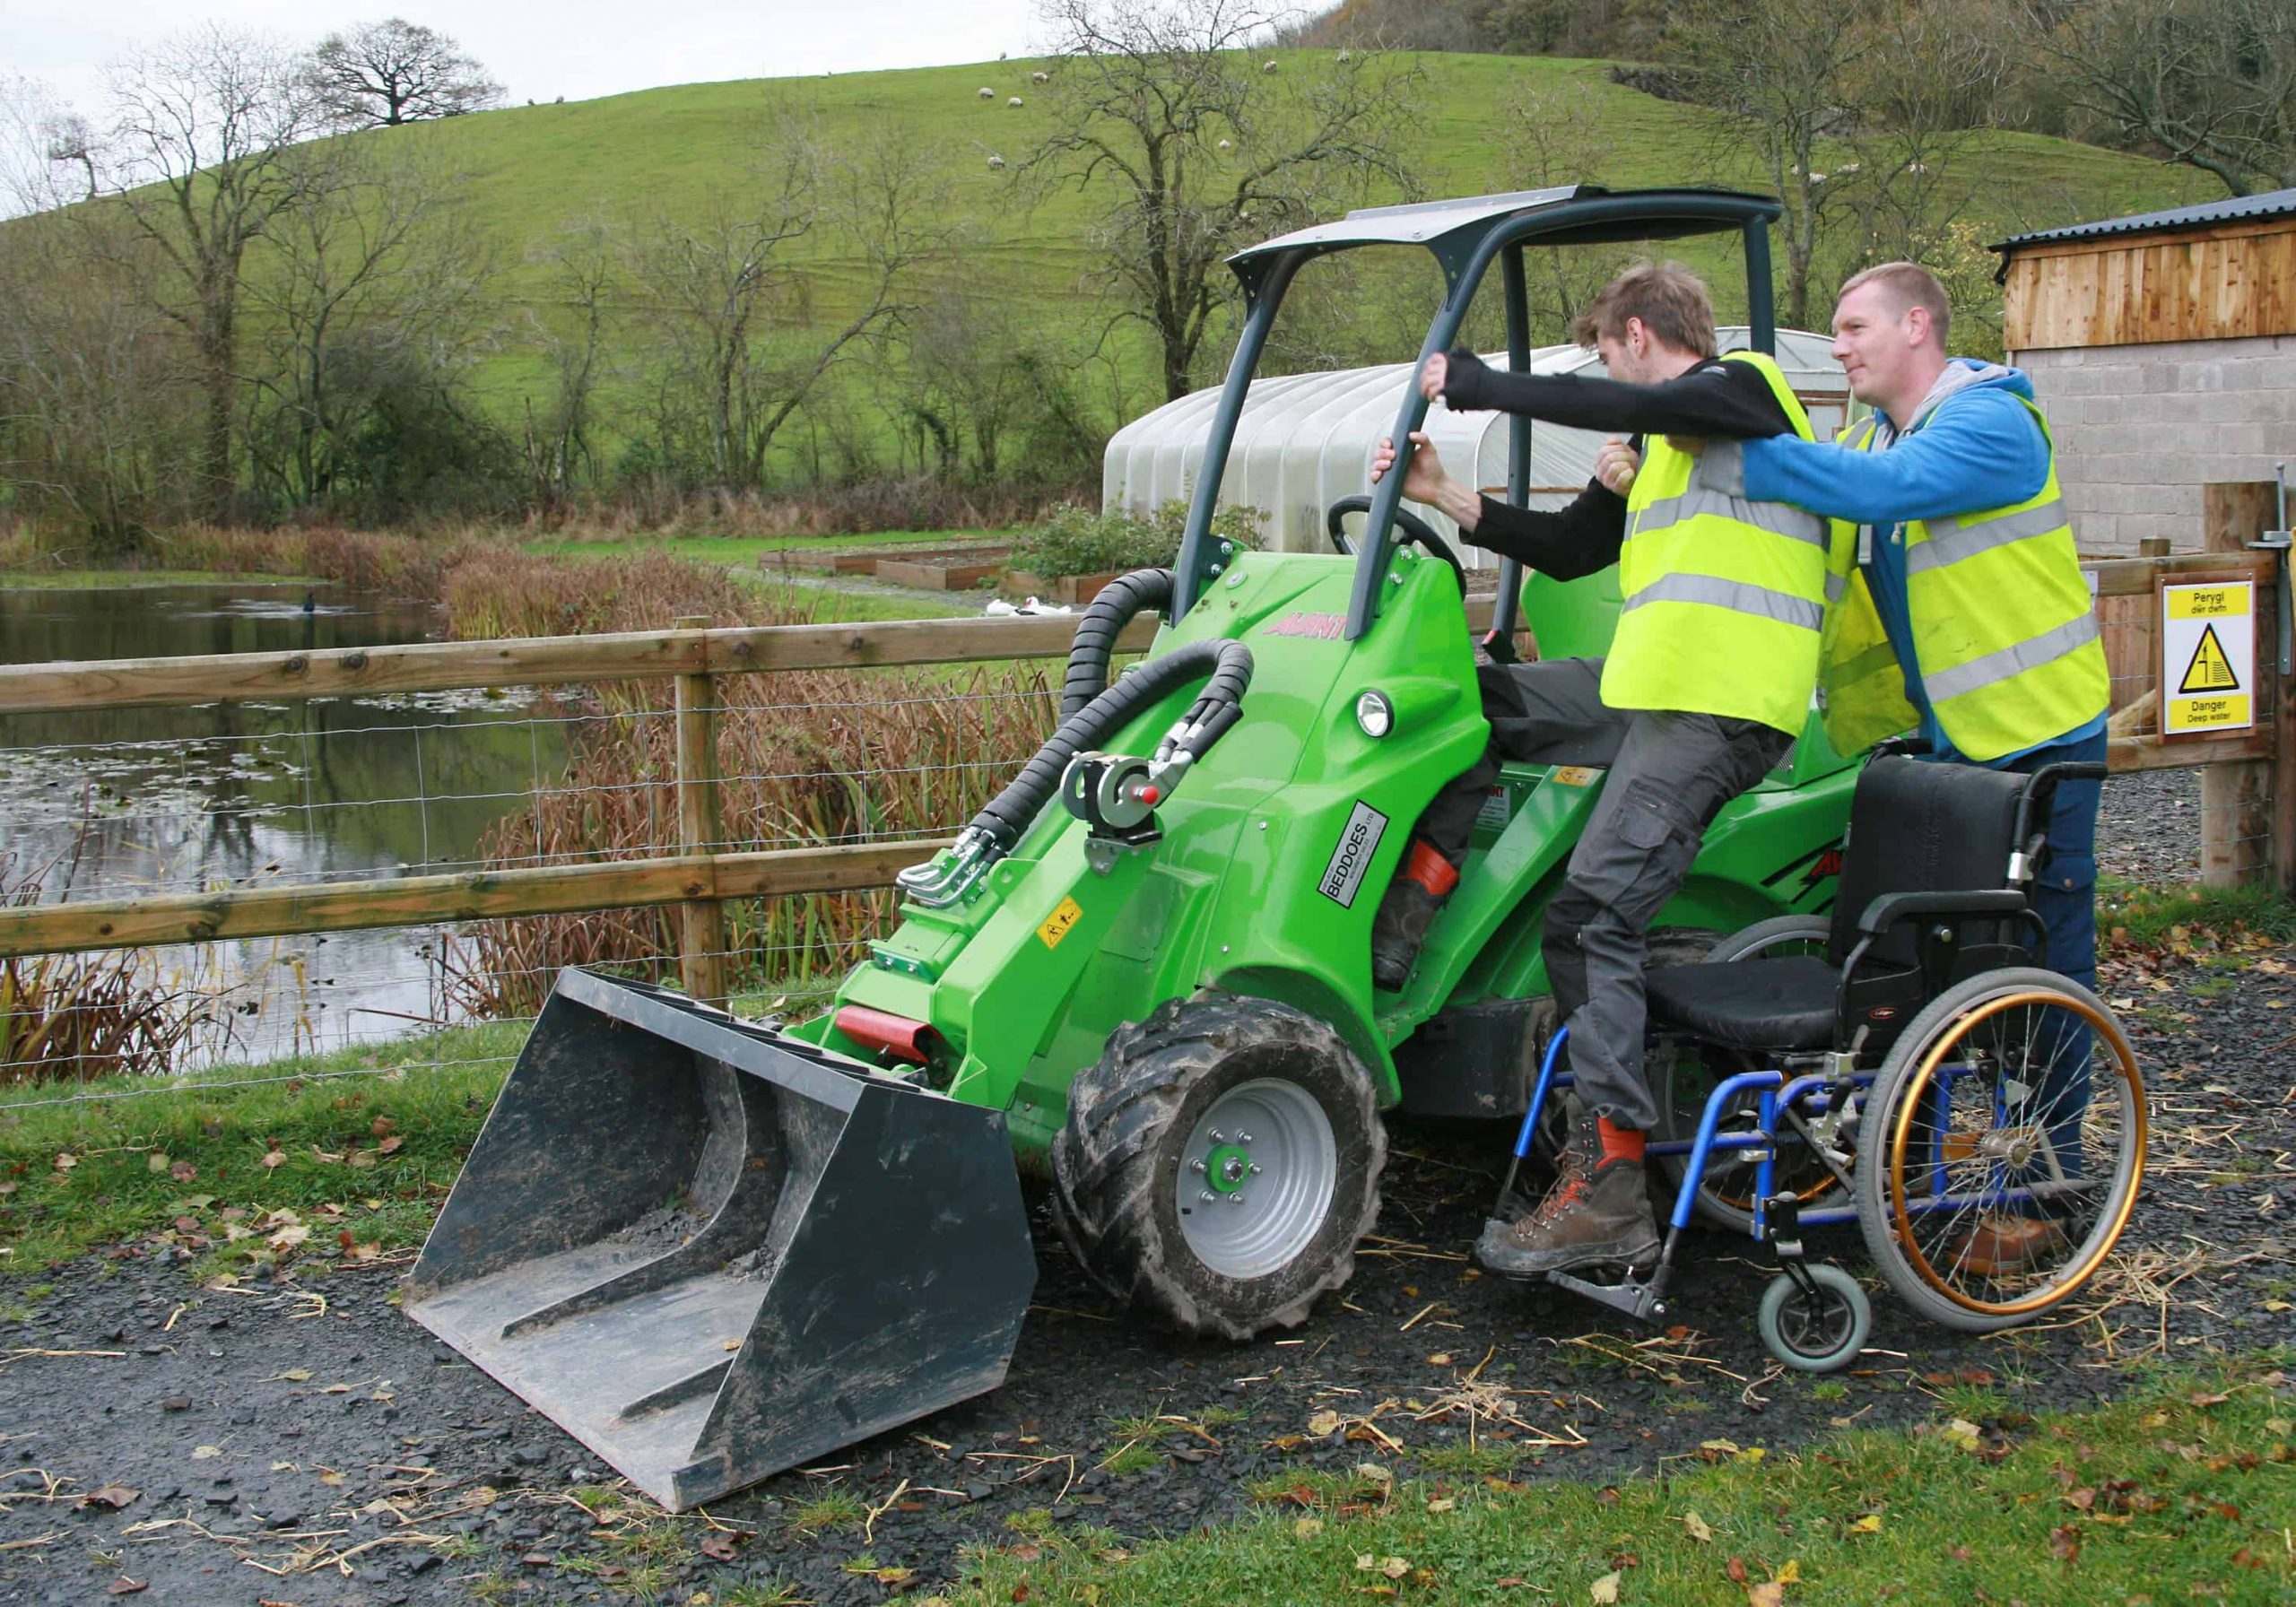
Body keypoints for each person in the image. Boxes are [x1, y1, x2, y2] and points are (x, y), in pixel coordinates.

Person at [1365, 262, 1828, 1277]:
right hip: (1645, 692)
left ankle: (1611, 1183)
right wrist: (1442, 492)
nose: (1603, 374)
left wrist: (1482, 383)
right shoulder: (1661, 446)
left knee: (1590, 917)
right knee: (1465, 707)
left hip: (1719, 709)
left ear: (1634, 334)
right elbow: (1572, 548)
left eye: (1604, 352)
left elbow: (1622, 400)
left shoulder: (1744, 392)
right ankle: (1408, 917)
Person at [1720, 261, 2109, 1273]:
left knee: (2038, 962)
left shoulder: (1988, 425)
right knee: (1933, 959)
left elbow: (1878, 492)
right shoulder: (1879, 437)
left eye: (1853, 328)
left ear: (1917, 325)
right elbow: (1834, 505)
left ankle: (2049, 1186)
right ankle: (1925, 1168)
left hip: (2038, 735)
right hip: (1949, 743)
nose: (1839, 346)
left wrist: (1748, 456)